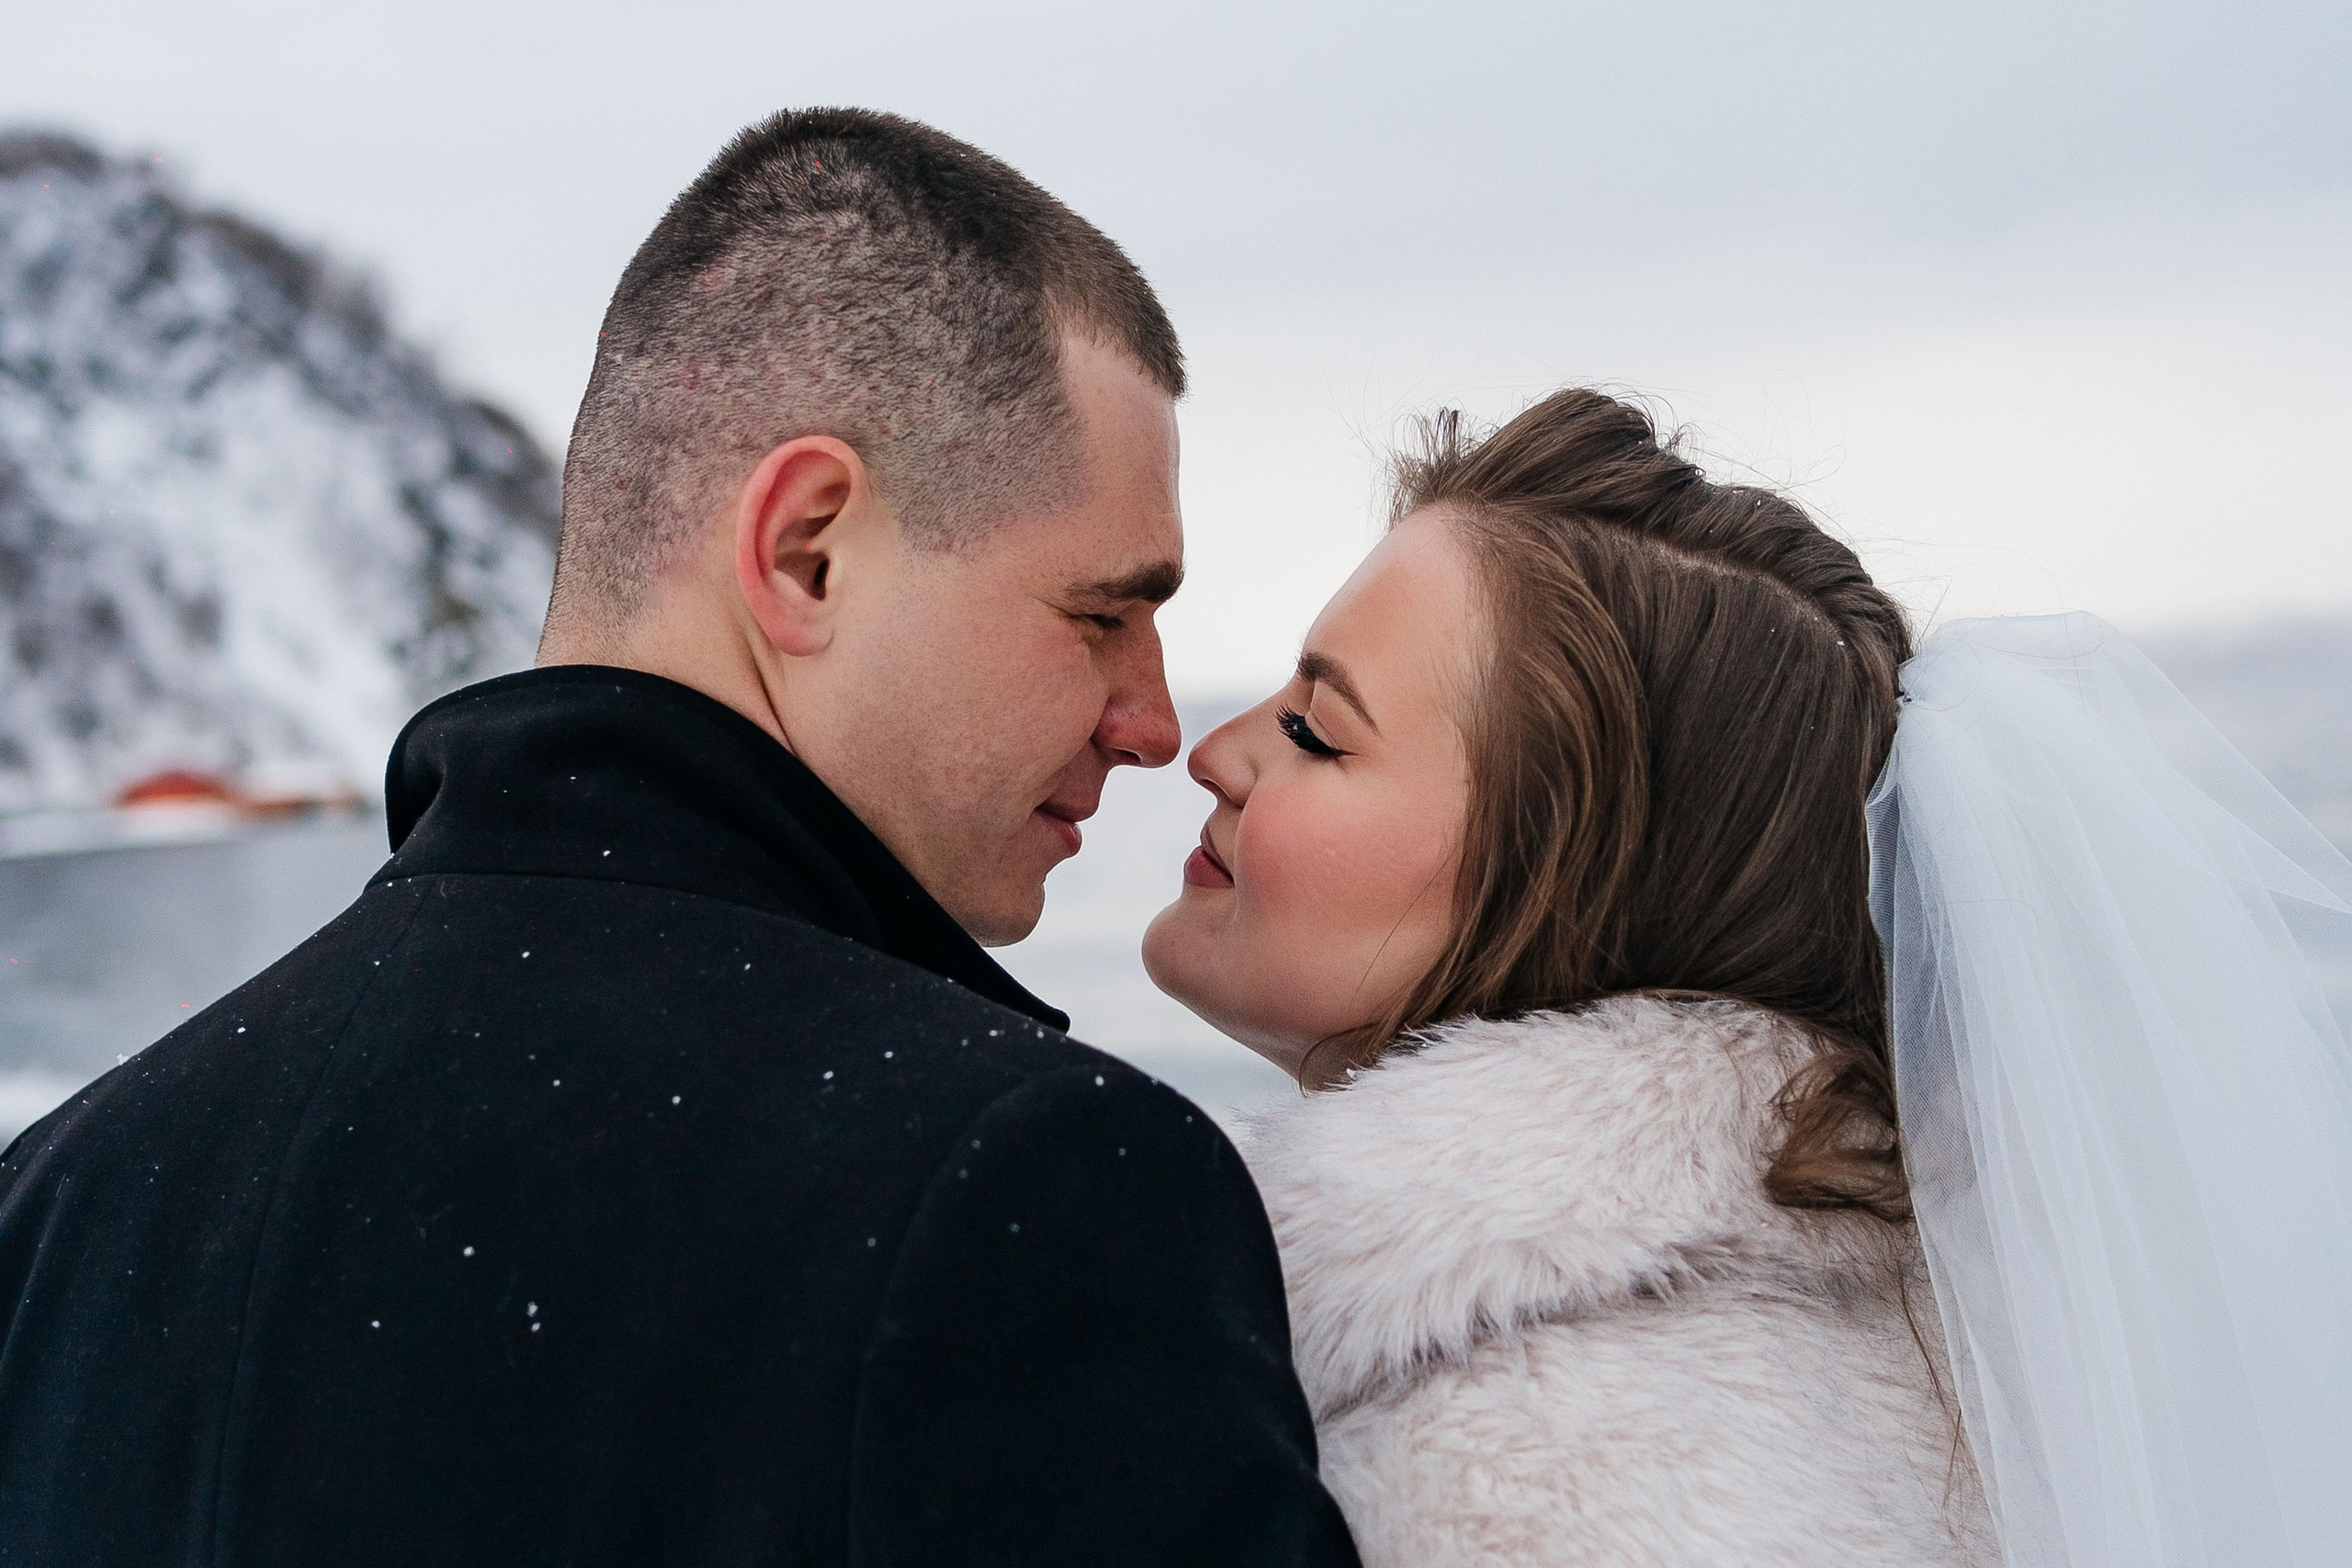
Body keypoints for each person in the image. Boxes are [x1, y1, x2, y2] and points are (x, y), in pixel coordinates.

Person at [0, 110, 1358, 1567]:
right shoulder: (1021, 1192)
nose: (1154, 724)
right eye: (1101, 613)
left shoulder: (63, 1204)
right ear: (806, 549)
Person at [1145, 387, 2352, 1566]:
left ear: (1576, 880)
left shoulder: (1558, 1476)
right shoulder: (1791, 1356)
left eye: (1317, 730)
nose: (1215, 752)